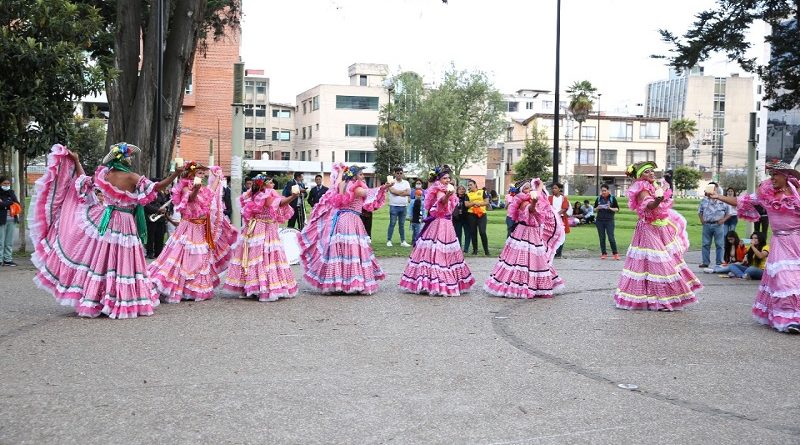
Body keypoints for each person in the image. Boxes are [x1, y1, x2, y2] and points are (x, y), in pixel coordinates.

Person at [29, 143, 180, 318]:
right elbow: (157, 187)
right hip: (123, 222)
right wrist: (175, 174)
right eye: (128, 156)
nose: (130, 159)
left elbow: (82, 179)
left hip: (106, 219)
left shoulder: (104, 174)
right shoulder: (131, 177)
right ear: (121, 159)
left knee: (103, 259)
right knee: (122, 260)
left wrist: (77, 161)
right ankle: (120, 299)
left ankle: (98, 298)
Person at [708, 161, 800, 333]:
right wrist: (719, 197)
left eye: (776, 175)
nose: (772, 178)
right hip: (780, 243)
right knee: (784, 280)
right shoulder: (766, 195)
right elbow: (740, 201)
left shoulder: (797, 193)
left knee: (796, 281)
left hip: (798, 241)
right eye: (770, 175)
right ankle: (789, 320)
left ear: (786, 176)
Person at [613, 161, 701, 311]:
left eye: (652, 171)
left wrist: (662, 196)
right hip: (648, 229)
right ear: (640, 176)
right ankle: (661, 300)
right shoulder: (641, 189)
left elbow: (660, 206)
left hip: (660, 228)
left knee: (668, 260)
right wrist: (658, 200)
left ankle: (663, 298)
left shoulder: (654, 186)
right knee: (659, 263)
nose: (652, 173)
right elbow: (650, 205)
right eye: (647, 172)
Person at [148, 161, 238, 303]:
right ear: (191, 174)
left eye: (203, 173)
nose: (202, 176)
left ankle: (193, 288)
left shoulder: (202, 188)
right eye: (199, 173)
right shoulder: (185, 186)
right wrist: (195, 189)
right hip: (189, 227)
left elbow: (211, 193)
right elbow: (190, 198)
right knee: (185, 256)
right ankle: (180, 287)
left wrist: (218, 178)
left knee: (201, 257)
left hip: (200, 227)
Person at [297, 163, 390, 294]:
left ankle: (338, 282)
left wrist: (340, 171)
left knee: (340, 251)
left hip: (341, 219)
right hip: (351, 219)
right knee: (351, 250)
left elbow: (338, 182)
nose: (363, 177)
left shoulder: (342, 185)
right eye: (361, 174)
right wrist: (385, 187)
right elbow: (369, 193)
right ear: (354, 176)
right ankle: (352, 282)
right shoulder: (356, 188)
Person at [399, 165, 475, 296]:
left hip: (446, 223)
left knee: (444, 251)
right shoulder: (440, 190)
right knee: (439, 251)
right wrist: (448, 195)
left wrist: (450, 194)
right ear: (439, 179)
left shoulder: (445, 189)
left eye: (448, 178)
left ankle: (434, 279)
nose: (447, 180)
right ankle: (436, 281)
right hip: (440, 223)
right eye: (445, 178)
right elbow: (441, 203)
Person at [223, 174, 299, 301]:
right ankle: (262, 287)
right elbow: (279, 204)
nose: (273, 183)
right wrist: (293, 196)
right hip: (263, 228)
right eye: (270, 181)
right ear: (263, 184)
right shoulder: (265, 194)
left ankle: (252, 286)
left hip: (256, 227)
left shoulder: (253, 193)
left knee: (255, 257)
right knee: (264, 257)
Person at [485, 179, 565, 299]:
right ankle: (520, 286)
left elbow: (540, 206)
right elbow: (531, 210)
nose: (529, 190)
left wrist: (539, 188)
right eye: (526, 188)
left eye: (530, 188)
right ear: (522, 191)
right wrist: (534, 202)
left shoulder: (532, 199)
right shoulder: (522, 202)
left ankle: (539, 284)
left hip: (534, 233)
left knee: (538, 260)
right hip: (525, 233)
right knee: (521, 260)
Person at [698, 182, 730, 268]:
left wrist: (723, 220)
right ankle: (705, 262)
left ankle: (719, 262)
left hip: (718, 225)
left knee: (719, 244)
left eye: (713, 188)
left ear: (717, 189)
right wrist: (702, 220)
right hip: (707, 225)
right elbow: (700, 211)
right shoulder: (704, 200)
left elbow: (729, 213)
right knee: (705, 244)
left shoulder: (722, 200)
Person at [143, 181, 171, 259]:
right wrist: (157, 209)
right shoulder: (147, 193)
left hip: (160, 218)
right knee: (150, 236)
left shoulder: (161, 193)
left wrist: (165, 209)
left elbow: (164, 203)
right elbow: (146, 206)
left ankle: (158, 253)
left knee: (160, 236)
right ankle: (150, 252)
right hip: (151, 218)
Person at [594, 184, 620, 260]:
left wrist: (610, 208)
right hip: (600, 221)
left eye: (605, 191)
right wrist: (597, 208)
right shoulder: (598, 198)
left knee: (611, 237)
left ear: (608, 191)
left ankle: (615, 253)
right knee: (602, 238)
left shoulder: (612, 198)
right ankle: (604, 253)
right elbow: (594, 209)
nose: (603, 192)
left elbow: (617, 209)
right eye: (602, 191)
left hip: (609, 221)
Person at [386, 167, 411, 247]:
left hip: (403, 206)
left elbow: (408, 193)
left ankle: (403, 241)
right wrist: (402, 192)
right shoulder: (391, 182)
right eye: (398, 173)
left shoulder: (406, 182)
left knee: (402, 224)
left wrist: (398, 193)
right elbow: (392, 191)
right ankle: (389, 240)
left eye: (401, 173)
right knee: (392, 223)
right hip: (394, 206)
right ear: (395, 173)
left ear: (402, 173)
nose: (399, 175)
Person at [0, 176, 21, 267]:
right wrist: (9, 202)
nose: (7, 185)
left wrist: (5, 203)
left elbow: (17, 203)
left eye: (8, 183)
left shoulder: (11, 192)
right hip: (1, 220)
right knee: (1, 241)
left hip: (12, 219)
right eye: (4, 183)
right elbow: (3, 205)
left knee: (9, 241)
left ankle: (8, 259)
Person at [465, 179, 490, 255]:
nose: (469, 186)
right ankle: (475, 250)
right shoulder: (468, 194)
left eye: (471, 184)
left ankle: (486, 251)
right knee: (473, 232)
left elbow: (486, 202)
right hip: (471, 214)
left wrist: (478, 203)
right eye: (468, 185)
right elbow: (466, 204)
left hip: (481, 214)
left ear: (475, 184)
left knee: (482, 232)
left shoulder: (482, 192)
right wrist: (473, 203)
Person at [548, 183, 570, 258]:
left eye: (555, 188)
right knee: (552, 235)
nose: (553, 190)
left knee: (561, 235)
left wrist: (556, 214)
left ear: (559, 189)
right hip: (551, 220)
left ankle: (559, 252)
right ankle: (552, 251)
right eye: (553, 188)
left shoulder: (564, 198)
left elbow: (565, 208)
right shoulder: (550, 198)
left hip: (561, 219)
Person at [407, 179, 425, 247]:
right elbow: (410, 209)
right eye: (417, 195)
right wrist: (410, 216)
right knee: (414, 230)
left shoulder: (423, 202)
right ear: (415, 195)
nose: (419, 196)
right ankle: (413, 240)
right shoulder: (412, 202)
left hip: (419, 219)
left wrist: (424, 217)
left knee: (418, 229)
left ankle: (417, 241)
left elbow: (423, 210)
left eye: (420, 195)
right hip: (414, 218)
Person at [453, 185, 470, 253]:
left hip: (466, 217)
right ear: (457, 190)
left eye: (463, 189)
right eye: (460, 189)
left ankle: (466, 248)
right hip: (457, 218)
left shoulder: (466, 197)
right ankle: (458, 247)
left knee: (467, 233)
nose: (461, 190)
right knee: (458, 233)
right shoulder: (454, 197)